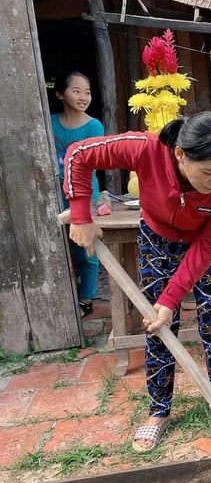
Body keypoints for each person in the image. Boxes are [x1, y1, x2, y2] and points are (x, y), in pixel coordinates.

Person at [62, 112, 211, 451]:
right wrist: (80, 214)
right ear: (179, 154)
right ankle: (158, 411)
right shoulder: (144, 149)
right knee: (158, 326)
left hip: (209, 248)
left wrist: (172, 296)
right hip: (158, 241)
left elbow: (207, 247)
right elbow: (78, 154)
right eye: (207, 172)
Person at [52, 71, 104, 317]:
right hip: (52, 193)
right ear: (60, 94)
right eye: (76, 91)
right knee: (57, 246)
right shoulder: (49, 122)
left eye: (88, 92)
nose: (84, 96)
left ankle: (87, 297)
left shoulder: (94, 126)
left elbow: (89, 164)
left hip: (84, 194)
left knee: (86, 247)